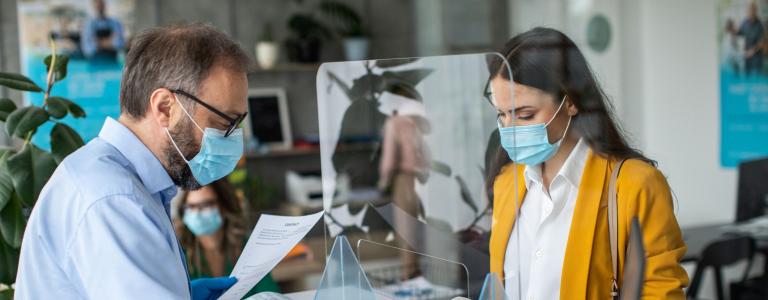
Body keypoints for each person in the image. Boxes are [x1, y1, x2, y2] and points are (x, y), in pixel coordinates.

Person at [15, 24, 250, 300]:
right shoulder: (114, 199)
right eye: (223, 122)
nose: (232, 138)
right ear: (165, 108)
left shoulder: (127, 182)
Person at [485, 28, 688, 299]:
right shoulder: (506, 183)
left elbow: (661, 292)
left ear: (570, 102)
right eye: (502, 114)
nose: (509, 128)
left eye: (525, 114)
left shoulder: (635, 185)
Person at [174, 179, 281, 296]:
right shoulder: (178, 253)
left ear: (225, 206)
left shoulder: (248, 246)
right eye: (191, 206)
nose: (197, 213)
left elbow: (270, 293)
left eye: (206, 204)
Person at [739, 1, 765, 75]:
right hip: (747, 58)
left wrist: (752, 51)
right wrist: (733, 30)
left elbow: (761, 43)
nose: (749, 12)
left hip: (756, 59)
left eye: (751, 10)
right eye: (748, 10)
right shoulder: (744, 22)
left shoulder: (760, 25)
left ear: (755, 11)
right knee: (746, 79)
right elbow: (740, 32)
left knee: (755, 80)